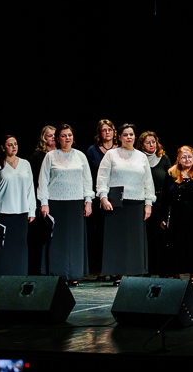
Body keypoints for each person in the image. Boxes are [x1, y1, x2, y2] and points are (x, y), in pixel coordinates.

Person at [96, 123, 154, 285]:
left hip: (136, 202)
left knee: (134, 240)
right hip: (116, 203)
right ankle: (119, 274)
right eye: (126, 134)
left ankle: (134, 273)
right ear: (119, 137)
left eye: (131, 134)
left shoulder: (141, 156)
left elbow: (147, 181)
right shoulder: (112, 155)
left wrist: (148, 203)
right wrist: (103, 197)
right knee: (117, 240)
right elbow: (102, 177)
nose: (129, 137)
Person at [37, 124, 94, 286]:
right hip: (56, 204)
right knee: (57, 241)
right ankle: (57, 274)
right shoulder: (51, 156)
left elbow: (87, 180)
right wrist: (44, 203)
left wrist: (88, 200)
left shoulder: (80, 156)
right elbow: (43, 181)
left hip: (76, 204)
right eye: (63, 135)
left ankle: (74, 274)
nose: (67, 138)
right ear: (57, 139)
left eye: (69, 135)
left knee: (75, 241)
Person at [159, 146, 193, 285]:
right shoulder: (171, 173)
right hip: (176, 216)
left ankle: (192, 277)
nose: (187, 160)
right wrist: (163, 217)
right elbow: (164, 197)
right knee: (176, 246)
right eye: (184, 157)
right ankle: (176, 277)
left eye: (190, 157)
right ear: (178, 159)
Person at [0, 135, 36, 276]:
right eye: (10, 145)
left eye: (15, 144)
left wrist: (31, 210)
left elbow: (30, 188)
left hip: (21, 212)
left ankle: (19, 274)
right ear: (3, 148)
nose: (14, 147)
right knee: (3, 248)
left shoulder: (25, 164)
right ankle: (2, 275)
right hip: (4, 213)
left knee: (20, 246)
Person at [86, 119, 117, 279]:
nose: (107, 132)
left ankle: (116, 268)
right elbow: (90, 174)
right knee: (101, 234)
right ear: (99, 133)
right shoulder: (92, 150)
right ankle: (103, 267)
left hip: (117, 195)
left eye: (110, 129)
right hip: (100, 195)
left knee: (115, 233)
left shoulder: (120, 149)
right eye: (104, 130)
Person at [139, 130, 171, 277]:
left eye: (154, 142)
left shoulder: (164, 159)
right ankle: (148, 269)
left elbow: (171, 180)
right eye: (148, 142)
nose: (151, 145)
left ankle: (163, 269)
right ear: (142, 145)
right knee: (148, 237)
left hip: (161, 202)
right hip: (145, 202)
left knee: (162, 237)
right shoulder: (138, 159)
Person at [26, 125, 55, 275]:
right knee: (40, 237)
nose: (53, 138)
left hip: (57, 199)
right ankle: (39, 269)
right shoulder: (37, 157)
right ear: (44, 138)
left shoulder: (60, 155)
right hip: (41, 201)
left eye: (55, 135)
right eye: (50, 135)